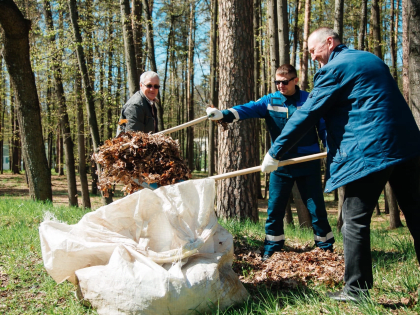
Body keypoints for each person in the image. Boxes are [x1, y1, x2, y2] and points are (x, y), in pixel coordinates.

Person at [261, 27, 420, 302]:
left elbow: (309, 112)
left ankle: (357, 290)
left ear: (330, 42)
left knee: (353, 220)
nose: (312, 58)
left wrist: (275, 151)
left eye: (313, 50)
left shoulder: (334, 68)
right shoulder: (370, 59)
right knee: (417, 214)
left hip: (370, 150)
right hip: (407, 145)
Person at [207, 64, 334, 261]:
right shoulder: (270, 100)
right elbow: (248, 108)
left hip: (307, 162)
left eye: (284, 82)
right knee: (275, 207)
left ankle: (325, 248)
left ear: (295, 81)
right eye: (277, 82)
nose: (280, 85)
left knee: (316, 207)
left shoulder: (310, 99)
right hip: (279, 163)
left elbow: (324, 127)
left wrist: (329, 146)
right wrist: (224, 114)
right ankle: (272, 248)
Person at [116, 71, 160, 136]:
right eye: (149, 85)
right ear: (141, 85)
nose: (152, 89)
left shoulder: (150, 103)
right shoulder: (135, 106)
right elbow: (134, 138)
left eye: (156, 86)